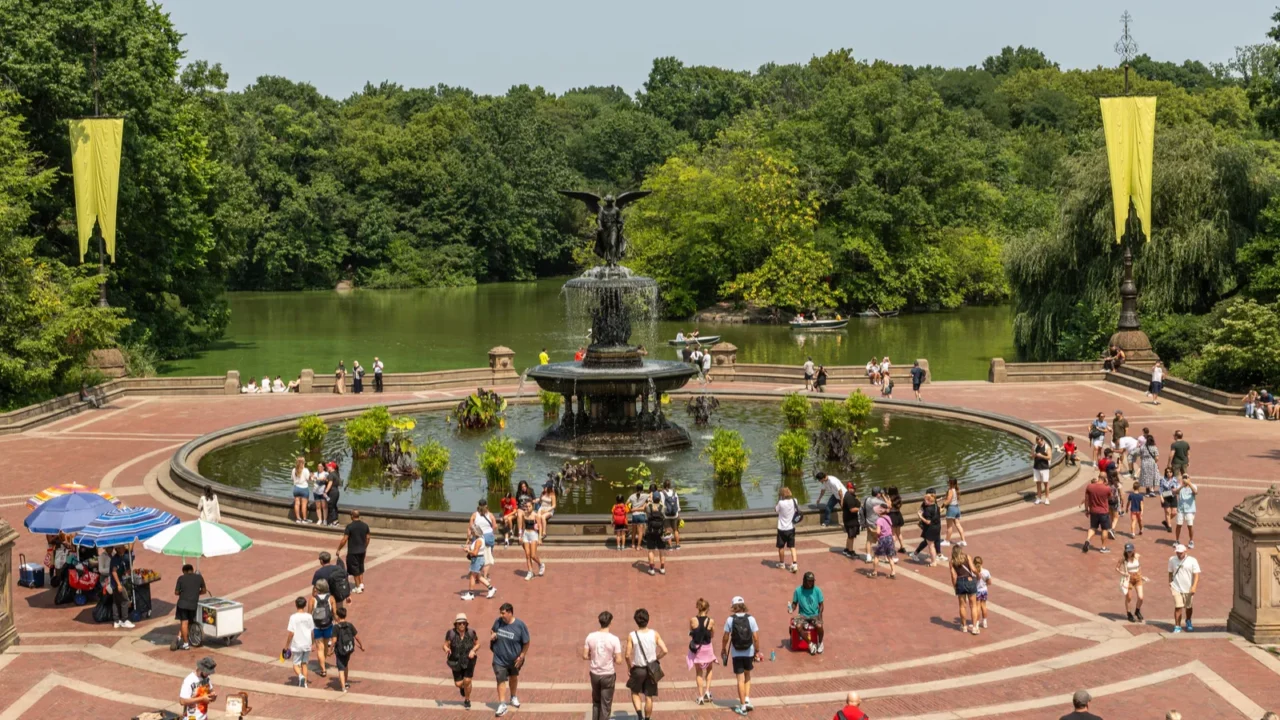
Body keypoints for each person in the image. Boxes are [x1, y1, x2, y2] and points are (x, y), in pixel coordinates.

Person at [625, 608, 668, 720]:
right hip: (652, 668)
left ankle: (639, 715)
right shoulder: (654, 634)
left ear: (636, 621)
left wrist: (629, 667)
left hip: (638, 669)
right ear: (648, 619)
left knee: (635, 692)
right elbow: (665, 650)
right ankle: (647, 718)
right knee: (649, 696)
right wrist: (656, 658)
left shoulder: (632, 635)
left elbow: (627, 655)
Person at [721, 596, 761, 716]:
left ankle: (743, 706)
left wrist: (723, 648)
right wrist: (757, 650)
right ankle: (747, 699)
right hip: (749, 651)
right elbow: (756, 637)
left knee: (740, 679)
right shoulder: (751, 619)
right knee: (748, 674)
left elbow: (726, 637)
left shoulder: (730, 619)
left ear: (733, 607)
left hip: (736, 652)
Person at [490, 602, 530, 717]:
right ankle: (502, 704)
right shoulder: (498, 622)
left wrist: (522, 656)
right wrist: (493, 635)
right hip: (499, 659)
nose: (501, 615)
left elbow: (526, 642)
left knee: (513, 677)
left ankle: (513, 696)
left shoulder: (520, 625)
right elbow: (492, 630)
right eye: (501, 613)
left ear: (510, 612)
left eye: (503, 613)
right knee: (500, 679)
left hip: (514, 660)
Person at [583, 610, 623, 720]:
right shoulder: (614, 639)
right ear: (610, 622)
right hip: (608, 674)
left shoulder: (590, 637)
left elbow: (585, 656)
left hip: (595, 673)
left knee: (596, 702)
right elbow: (619, 660)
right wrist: (613, 658)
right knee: (606, 705)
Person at [444, 612, 479, 709]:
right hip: (456, 661)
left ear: (466, 623)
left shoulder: (471, 632)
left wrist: (473, 650)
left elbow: (477, 644)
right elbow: (445, 645)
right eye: (459, 623)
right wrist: (446, 649)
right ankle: (462, 688)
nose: (462, 625)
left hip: (469, 660)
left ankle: (467, 700)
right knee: (458, 683)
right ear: (456, 624)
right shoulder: (451, 633)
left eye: (464, 623)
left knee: (467, 681)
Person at [687, 598, 716, 705]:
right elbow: (712, 634)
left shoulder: (693, 620)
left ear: (697, 607)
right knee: (709, 669)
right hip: (707, 647)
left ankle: (700, 696)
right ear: (707, 608)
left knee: (699, 672)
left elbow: (691, 632)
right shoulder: (711, 621)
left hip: (697, 648)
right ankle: (707, 692)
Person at [788, 571, 825, 654]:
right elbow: (794, 603)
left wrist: (819, 615)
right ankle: (810, 643)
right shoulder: (798, 591)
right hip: (802, 615)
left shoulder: (817, 590)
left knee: (819, 626)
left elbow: (821, 605)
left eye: (812, 581)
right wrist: (791, 608)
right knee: (797, 626)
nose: (811, 583)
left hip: (814, 614)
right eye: (809, 581)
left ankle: (820, 642)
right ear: (804, 580)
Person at [173, 563, 207, 651]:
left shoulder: (181, 578)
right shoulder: (199, 577)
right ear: (192, 570)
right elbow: (204, 591)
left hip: (182, 604)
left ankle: (185, 644)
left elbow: (176, 592)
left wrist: (183, 593)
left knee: (184, 622)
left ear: (184, 571)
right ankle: (180, 637)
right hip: (193, 604)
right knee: (190, 621)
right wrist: (196, 593)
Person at [1168, 544, 1200, 633]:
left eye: (1181, 553)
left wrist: (1194, 586)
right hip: (1176, 587)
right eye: (1177, 553)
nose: (1179, 554)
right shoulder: (1172, 560)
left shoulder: (1192, 561)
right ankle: (1177, 625)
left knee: (1188, 606)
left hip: (1188, 588)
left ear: (1185, 552)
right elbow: (1170, 572)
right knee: (1178, 606)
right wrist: (1170, 582)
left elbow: (1196, 575)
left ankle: (1188, 620)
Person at [336, 509, 370, 593]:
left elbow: (344, 539)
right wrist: (365, 546)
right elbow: (368, 537)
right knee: (360, 566)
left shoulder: (349, 526)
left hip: (353, 551)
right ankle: (361, 584)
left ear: (352, 516)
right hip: (362, 550)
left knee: (355, 569)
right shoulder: (365, 525)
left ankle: (357, 587)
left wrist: (339, 549)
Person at [308, 578, 337, 677]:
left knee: (319, 648)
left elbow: (309, 614)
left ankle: (323, 669)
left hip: (317, 626)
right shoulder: (331, 598)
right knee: (325, 646)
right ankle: (323, 662)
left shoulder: (312, 599)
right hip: (328, 625)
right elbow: (334, 613)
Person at [284, 596, 315, 687]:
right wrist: (312, 643)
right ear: (305, 605)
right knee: (304, 663)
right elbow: (312, 631)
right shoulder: (309, 617)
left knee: (295, 664)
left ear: (296, 605)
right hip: (307, 643)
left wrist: (286, 645)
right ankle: (305, 683)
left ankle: (300, 676)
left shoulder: (293, 617)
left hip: (297, 644)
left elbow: (291, 633)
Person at [950, 547, 980, 635]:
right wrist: (978, 575)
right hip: (970, 581)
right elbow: (973, 569)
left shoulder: (952, 561)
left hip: (960, 582)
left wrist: (955, 586)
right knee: (973, 605)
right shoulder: (967, 557)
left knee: (962, 606)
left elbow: (953, 575)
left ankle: (964, 626)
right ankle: (974, 627)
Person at [333, 606, 363, 692]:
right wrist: (361, 646)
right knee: (345, 665)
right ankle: (345, 682)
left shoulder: (336, 627)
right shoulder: (350, 625)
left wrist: (330, 650)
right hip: (348, 649)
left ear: (338, 616)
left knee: (340, 668)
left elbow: (334, 640)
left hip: (340, 651)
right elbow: (357, 637)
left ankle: (343, 687)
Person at [911, 490, 944, 566]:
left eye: (925, 500)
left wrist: (920, 516)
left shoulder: (928, 509)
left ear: (929, 501)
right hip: (937, 527)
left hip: (930, 529)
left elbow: (928, 522)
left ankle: (933, 562)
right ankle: (936, 557)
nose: (924, 502)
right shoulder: (936, 506)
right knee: (933, 542)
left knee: (931, 546)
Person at [1082, 475, 1112, 554]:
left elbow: (1087, 499)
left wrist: (1086, 509)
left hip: (1093, 511)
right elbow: (1111, 498)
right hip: (1103, 512)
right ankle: (1103, 547)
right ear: (1104, 479)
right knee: (1104, 529)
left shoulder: (1090, 487)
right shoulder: (1107, 488)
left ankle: (1087, 539)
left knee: (1092, 528)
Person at [462, 532, 497, 601]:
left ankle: (471, 594)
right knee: (478, 576)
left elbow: (475, 553)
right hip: (480, 559)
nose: (471, 533)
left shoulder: (478, 541)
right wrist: (469, 548)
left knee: (472, 576)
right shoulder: (481, 539)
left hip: (477, 560)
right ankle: (491, 588)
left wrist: (468, 551)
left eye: (472, 532)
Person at [470, 499, 498, 580]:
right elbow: (495, 525)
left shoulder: (475, 515)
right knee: (488, 557)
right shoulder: (490, 515)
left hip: (478, 537)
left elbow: (471, 526)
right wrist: (491, 531)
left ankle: (477, 572)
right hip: (488, 537)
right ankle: (485, 576)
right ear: (486, 505)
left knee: (477, 556)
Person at [106, 545, 134, 628]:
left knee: (116, 601)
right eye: (122, 547)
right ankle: (125, 620)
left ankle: (116, 621)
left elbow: (123, 569)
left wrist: (127, 571)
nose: (124, 549)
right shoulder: (115, 559)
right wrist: (119, 584)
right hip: (116, 583)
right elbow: (114, 572)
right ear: (118, 549)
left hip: (117, 582)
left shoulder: (122, 557)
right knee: (125, 600)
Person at [1117, 543, 1145, 623]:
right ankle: (1129, 613)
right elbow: (1117, 568)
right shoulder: (1123, 559)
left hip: (1137, 578)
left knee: (1141, 597)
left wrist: (1141, 575)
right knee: (1129, 597)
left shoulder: (1137, 556)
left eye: (1130, 551)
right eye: (1127, 551)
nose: (1129, 553)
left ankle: (1137, 610)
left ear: (1133, 550)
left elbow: (1139, 566)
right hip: (1128, 578)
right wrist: (1123, 573)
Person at [775, 486, 801, 573]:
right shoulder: (795, 501)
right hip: (791, 527)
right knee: (792, 546)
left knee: (781, 547)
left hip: (782, 528)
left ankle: (782, 563)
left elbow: (776, 509)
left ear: (782, 494)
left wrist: (779, 499)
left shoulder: (781, 503)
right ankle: (794, 564)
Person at [859, 487, 889, 561]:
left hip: (868, 522)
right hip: (876, 523)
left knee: (869, 540)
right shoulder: (877, 501)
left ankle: (868, 556)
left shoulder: (867, 499)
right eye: (880, 493)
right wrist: (884, 496)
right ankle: (887, 557)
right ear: (878, 494)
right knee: (882, 539)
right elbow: (888, 505)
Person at [519, 499, 545, 580]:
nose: (528, 508)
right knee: (527, 555)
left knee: (533, 555)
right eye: (527, 506)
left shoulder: (535, 515)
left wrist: (540, 538)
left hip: (533, 535)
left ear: (532, 506)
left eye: (529, 506)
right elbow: (523, 526)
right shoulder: (524, 515)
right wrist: (520, 536)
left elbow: (540, 526)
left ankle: (541, 564)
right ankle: (530, 572)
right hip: (526, 534)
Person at [643, 491, 668, 576]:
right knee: (662, 550)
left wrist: (649, 500)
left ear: (653, 498)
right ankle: (662, 568)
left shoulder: (648, 506)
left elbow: (644, 509)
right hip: (660, 531)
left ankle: (651, 569)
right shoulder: (663, 507)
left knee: (651, 550)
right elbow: (665, 517)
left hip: (651, 531)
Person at [871, 505, 896, 578]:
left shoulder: (879, 520)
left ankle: (875, 572)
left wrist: (873, 530)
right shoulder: (888, 517)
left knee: (876, 555)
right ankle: (893, 572)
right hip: (889, 538)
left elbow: (878, 532)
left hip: (883, 539)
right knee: (890, 556)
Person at [1174, 474, 1199, 548]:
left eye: (1186, 477)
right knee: (1178, 525)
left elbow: (1195, 492)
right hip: (1181, 509)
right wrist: (1182, 485)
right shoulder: (1180, 486)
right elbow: (1176, 492)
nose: (1185, 478)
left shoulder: (1193, 486)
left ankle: (1191, 541)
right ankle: (1177, 540)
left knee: (1190, 526)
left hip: (1190, 510)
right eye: (1183, 477)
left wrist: (1189, 483)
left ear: (1189, 478)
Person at [942, 477, 967, 547]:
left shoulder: (950, 490)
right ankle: (963, 541)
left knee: (949, 527)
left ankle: (947, 541)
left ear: (949, 483)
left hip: (951, 509)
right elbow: (952, 498)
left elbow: (949, 500)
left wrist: (943, 505)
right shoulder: (956, 489)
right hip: (957, 508)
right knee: (958, 525)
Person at [840, 481, 861, 558]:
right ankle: (850, 551)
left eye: (854, 488)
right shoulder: (849, 497)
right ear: (848, 488)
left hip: (849, 519)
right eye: (853, 488)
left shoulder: (850, 495)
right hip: (850, 520)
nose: (854, 490)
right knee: (851, 536)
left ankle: (847, 549)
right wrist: (861, 509)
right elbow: (852, 509)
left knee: (850, 535)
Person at [1137, 429, 1160, 494]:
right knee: (1153, 475)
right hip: (1152, 463)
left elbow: (1140, 455)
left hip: (1144, 463)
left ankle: (1147, 488)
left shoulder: (1143, 447)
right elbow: (1157, 458)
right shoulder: (1154, 447)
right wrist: (1154, 461)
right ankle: (1152, 490)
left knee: (1145, 475)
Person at [627, 483, 648, 551]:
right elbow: (652, 496)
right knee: (640, 532)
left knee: (633, 531)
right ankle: (638, 546)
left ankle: (633, 544)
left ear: (636, 489)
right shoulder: (645, 495)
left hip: (634, 515)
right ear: (642, 489)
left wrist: (630, 509)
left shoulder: (632, 496)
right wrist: (645, 503)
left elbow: (626, 503)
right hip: (641, 515)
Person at [1032, 434, 1052, 505]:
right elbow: (1031, 456)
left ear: (1042, 440)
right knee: (1038, 483)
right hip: (1036, 467)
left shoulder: (1047, 447)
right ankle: (1039, 498)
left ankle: (1047, 498)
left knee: (1046, 483)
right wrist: (1033, 455)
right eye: (1037, 442)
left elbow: (1049, 457)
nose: (1038, 443)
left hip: (1044, 467)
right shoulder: (1035, 446)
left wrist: (1042, 456)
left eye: (1039, 442)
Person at [661, 479, 681, 549]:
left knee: (667, 530)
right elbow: (677, 503)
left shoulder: (662, 493)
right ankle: (677, 545)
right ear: (670, 485)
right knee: (675, 530)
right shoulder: (674, 492)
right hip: (674, 514)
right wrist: (678, 513)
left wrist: (662, 513)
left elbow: (662, 504)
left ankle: (670, 546)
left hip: (666, 515)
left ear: (664, 485)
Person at [291, 456, 311, 524]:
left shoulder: (294, 470)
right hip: (304, 488)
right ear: (303, 462)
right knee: (304, 505)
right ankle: (304, 519)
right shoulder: (305, 470)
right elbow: (308, 479)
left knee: (297, 503)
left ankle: (298, 518)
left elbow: (292, 479)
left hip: (296, 488)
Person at [312, 461, 330, 527]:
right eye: (318, 466)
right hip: (316, 491)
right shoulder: (315, 473)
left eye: (320, 466)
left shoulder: (326, 473)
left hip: (323, 492)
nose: (319, 467)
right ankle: (320, 519)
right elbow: (311, 479)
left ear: (323, 467)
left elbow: (324, 479)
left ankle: (325, 519)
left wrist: (316, 478)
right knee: (318, 506)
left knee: (324, 506)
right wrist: (311, 477)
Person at [322, 462, 341, 527]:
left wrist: (325, 492)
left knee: (331, 506)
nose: (327, 467)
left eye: (328, 466)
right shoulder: (336, 474)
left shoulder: (331, 475)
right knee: (334, 506)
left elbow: (330, 483)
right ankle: (336, 521)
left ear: (332, 467)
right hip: (336, 491)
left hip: (332, 492)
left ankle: (334, 522)